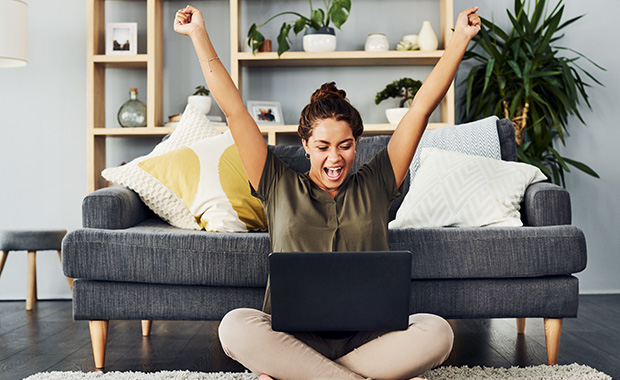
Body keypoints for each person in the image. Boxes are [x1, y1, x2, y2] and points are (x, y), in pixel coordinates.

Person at [174, 5, 481, 380]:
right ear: (304, 144)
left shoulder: (378, 180)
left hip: (369, 340)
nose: (335, 158)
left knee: (438, 332)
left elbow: (419, 109)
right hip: (293, 339)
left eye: (346, 145)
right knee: (234, 326)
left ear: (358, 143)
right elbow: (235, 110)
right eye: (322, 147)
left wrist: (459, 41)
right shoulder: (276, 182)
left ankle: (303, 375)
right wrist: (198, 35)